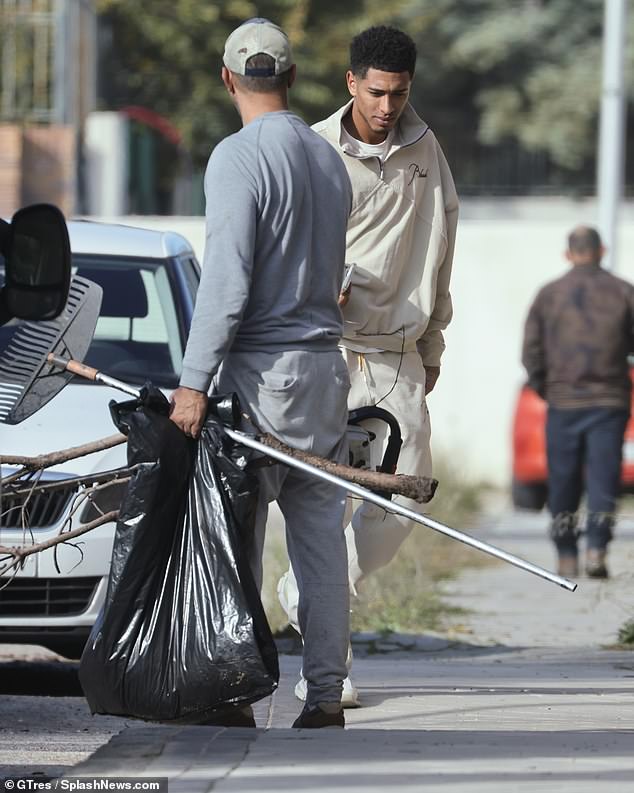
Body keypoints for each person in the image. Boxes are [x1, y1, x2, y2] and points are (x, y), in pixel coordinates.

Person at [169, 18, 353, 729]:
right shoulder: (327, 158)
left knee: (237, 539)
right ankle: (327, 694)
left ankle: (236, 693)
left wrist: (194, 381)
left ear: (226, 80)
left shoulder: (236, 159)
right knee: (319, 543)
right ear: (294, 79)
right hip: (324, 374)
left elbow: (226, 283)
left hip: (261, 379)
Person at [278, 25, 459, 706]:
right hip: (326, 350)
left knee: (398, 502)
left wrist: (433, 345)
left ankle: (304, 590)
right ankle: (332, 664)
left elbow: (443, 245)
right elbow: (287, 243)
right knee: (326, 502)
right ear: (352, 82)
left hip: (398, 357)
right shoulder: (316, 151)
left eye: (399, 92)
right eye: (377, 91)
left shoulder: (424, 148)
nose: (387, 105)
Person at [521, 226, 634, 579]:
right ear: (602, 250)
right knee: (603, 478)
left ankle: (566, 555)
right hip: (610, 401)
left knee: (563, 480)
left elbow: (531, 352)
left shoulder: (549, 295)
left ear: (567, 255)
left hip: (563, 401)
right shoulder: (624, 293)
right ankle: (597, 550)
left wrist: (547, 388)